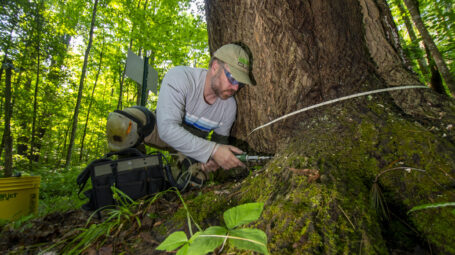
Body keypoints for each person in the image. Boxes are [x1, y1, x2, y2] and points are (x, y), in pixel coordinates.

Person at [106, 43, 254, 173]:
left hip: (192, 148)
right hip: (160, 132)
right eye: (232, 78)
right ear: (215, 67)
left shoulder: (229, 107)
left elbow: (220, 144)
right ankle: (129, 176)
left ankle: (168, 179)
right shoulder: (181, 77)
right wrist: (213, 150)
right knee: (122, 123)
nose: (235, 87)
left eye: (240, 83)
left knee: (194, 181)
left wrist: (214, 160)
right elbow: (166, 130)